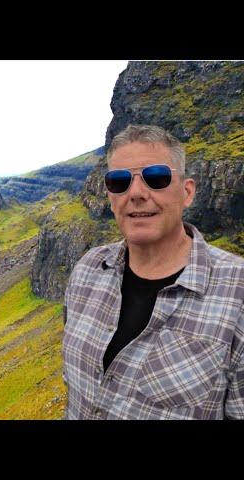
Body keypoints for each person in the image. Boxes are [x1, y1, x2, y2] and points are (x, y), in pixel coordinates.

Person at [62, 124, 244, 420]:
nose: (136, 193)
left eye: (156, 178)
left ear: (187, 192)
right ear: (109, 196)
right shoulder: (87, 270)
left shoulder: (238, 293)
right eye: (119, 181)